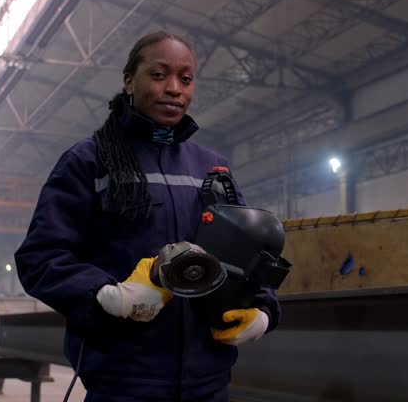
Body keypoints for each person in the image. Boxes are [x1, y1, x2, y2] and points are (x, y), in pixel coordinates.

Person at [15, 31, 280, 402]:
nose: (174, 89)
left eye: (185, 79)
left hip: (209, 381)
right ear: (129, 81)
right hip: (123, 380)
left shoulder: (212, 168)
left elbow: (247, 253)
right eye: (159, 75)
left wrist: (263, 309)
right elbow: (40, 257)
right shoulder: (90, 161)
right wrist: (108, 296)